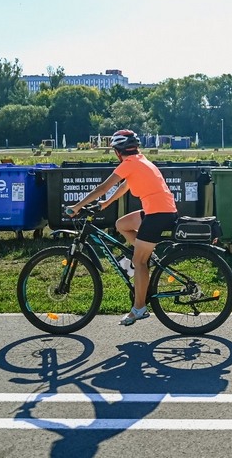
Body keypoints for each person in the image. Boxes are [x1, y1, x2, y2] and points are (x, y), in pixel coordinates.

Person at [68, 129, 177, 326]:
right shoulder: (140, 161)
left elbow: (101, 187)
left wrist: (76, 207)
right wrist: (106, 204)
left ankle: (139, 309)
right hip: (160, 211)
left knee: (139, 261)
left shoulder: (129, 163)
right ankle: (146, 255)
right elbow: (125, 186)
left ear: (118, 151)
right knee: (122, 224)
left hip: (158, 214)